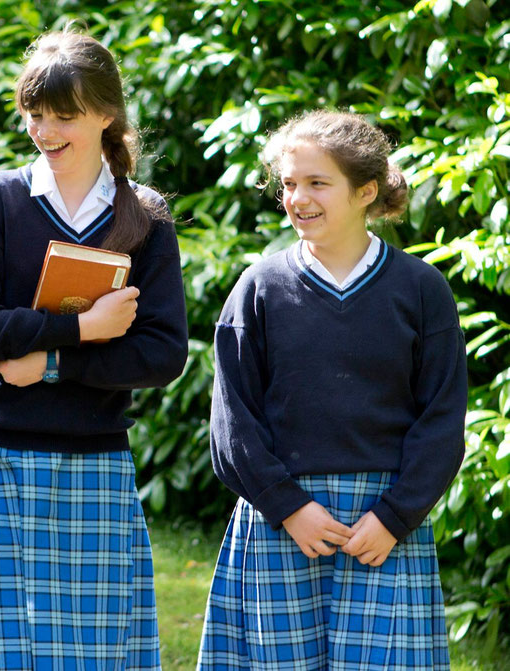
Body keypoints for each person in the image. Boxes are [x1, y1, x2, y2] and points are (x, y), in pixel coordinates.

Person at [0, 30, 188, 670]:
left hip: (94, 464)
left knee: (92, 658)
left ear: (107, 114)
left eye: (65, 116)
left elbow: (163, 353)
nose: (45, 130)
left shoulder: (144, 215)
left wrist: (53, 364)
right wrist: (79, 330)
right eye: (35, 114)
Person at [196, 110, 467, 670]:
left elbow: (442, 421)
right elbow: (232, 422)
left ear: (366, 190)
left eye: (318, 183)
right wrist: (287, 507)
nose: (298, 198)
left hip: (383, 528)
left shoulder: (420, 290)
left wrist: (395, 517)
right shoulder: (259, 288)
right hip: (282, 522)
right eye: (289, 184)